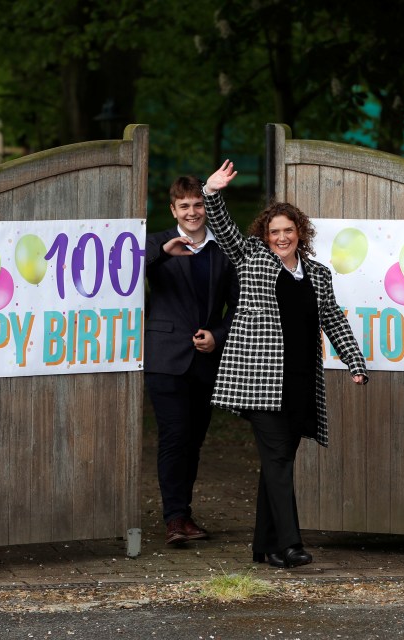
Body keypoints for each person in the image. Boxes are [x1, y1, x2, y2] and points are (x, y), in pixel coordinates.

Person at [201, 160, 368, 569]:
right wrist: (211, 193)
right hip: (260, 383)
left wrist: (354, 361)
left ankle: (264, 546)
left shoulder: (317, 274)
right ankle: (290, 544)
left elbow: (331, 319)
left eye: (287, 231)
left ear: (300, 234)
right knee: (279, 460)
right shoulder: (251, 256)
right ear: (264, 235)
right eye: (274, 231)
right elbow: (223, 231)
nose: (280, 238)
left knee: (276, 464)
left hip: (299, 384)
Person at [144, 175, 240, 545]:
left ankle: (183, 514)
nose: (193, 211)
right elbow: (122, 274)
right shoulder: (155, 244)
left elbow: (239, 305)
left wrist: (218, 335)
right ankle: (174, 518)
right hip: (165, 358)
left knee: (194, 440)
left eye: (198, 204)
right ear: (174, 210)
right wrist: (161, 253)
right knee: (174, 437)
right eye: (184, 206)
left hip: (206, 360)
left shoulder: (224, 250)